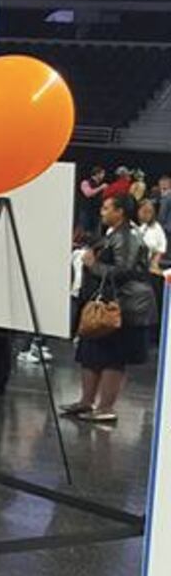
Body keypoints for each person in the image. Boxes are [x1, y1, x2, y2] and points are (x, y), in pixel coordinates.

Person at [64, 192, 155, 424]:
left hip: (124, 306)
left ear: (120, 212)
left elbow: (123, 270)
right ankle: (86, 401)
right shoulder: (113, 234)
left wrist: (93, 265)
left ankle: (105, 408)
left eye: (106, 208)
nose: (102, 212)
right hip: (106, 302)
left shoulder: (127, 236)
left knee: (113, 357)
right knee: (91, 353)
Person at [136, 197, 166, 272]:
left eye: (150, 212)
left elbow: (161, 248)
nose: (147, 215)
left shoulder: (156, 227)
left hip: (147, 266)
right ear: (138, 211)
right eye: (144, 211)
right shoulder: (132, 226)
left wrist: (154, 263)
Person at [78, 166, 108, 234]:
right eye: (102, 173)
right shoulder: (85, 182)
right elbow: (88, 193)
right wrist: (101, 188)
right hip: (86, 211)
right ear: (97, 174)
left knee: (96, 232)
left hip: (97, 212)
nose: (103, 176)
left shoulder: (101, 185)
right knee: (85, 231)